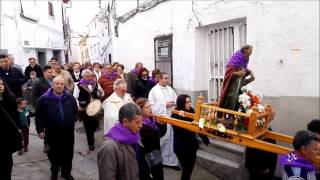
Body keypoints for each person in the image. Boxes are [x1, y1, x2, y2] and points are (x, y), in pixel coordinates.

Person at [36, 76, 78, 180]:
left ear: (64, 85)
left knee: (68, 152)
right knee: (53, 153)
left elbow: (75, 111)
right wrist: (40, 129)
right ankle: (54, 171)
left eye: (61, 84)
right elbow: (39, 116)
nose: (59, 86)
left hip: (68, 132)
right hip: (52, 132)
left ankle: (66, 172)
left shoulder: (70, 97)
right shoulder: (44, 99)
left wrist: (72, 119)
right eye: (57, 83)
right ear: (52, 84)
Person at [97, 103, 142, 180]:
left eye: (141, 121)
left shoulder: (134, 134)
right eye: (137, 122)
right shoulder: (109, 148)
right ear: (125, 122)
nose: (141, 125)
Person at [171, 94, 210, 180]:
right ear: (181, 103)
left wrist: (205, 138)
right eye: (187, 102)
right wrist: (181, 118)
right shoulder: (175, 113)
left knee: (188, 170)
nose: (189, 103)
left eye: (190, 101)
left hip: (191, 146)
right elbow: (178, 130)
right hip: (181, 147)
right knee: (186, 169)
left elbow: (197, 126)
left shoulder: (192, 111)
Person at [148, 72, 180, 170]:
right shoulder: (154, 91)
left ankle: (171, 162)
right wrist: (164, 105)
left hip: (171, 118)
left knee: (171, 140)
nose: (168, 80)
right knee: (162, 140)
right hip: (161, 120)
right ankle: (158, 161)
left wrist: (175, 105)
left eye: (168, 78)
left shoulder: (170, 89)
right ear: (160, 79)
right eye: (165, 78)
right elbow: (151, 106)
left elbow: (176, 100)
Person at [135, 98, 167, 180]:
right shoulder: (140, 125)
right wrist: (157, 128)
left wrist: (163, 124)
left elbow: (161, 134)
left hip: (155, 153)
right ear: (140, 111)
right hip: (147, 156)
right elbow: (148, 140)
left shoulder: (152, 120)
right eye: (147, 107)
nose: (150, 109)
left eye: (150, 106)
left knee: (159, 175)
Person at [219, 45, 255, 112]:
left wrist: (249, 72)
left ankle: (236, 116)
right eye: (250, 50)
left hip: (239, 85)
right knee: (231, 99)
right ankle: (228, 115)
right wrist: (236, 73)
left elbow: (243, 68)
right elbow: (228, 71)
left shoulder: (245, 59)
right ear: (245, 50)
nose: (251, 53)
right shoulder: (236, 57)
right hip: (232, 85)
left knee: (238, 100)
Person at [0, 77, 23, 180]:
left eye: (1, 84)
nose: (0, 87)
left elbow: (15, 117)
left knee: (7, 161)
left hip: (7, 136)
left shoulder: (10, 98)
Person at [73, 69, 101, 151]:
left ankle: (90, 133)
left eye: (90, 76)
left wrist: (99, 93)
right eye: (87, 76)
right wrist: (78, 106)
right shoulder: (78, 85)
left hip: (95, 107)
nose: (89, 78)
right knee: (87, 126)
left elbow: (101, 92)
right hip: (84, 108)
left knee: (95, 123)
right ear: (83, 76)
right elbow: (75, 97)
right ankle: (91, 143)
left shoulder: (95, 83)